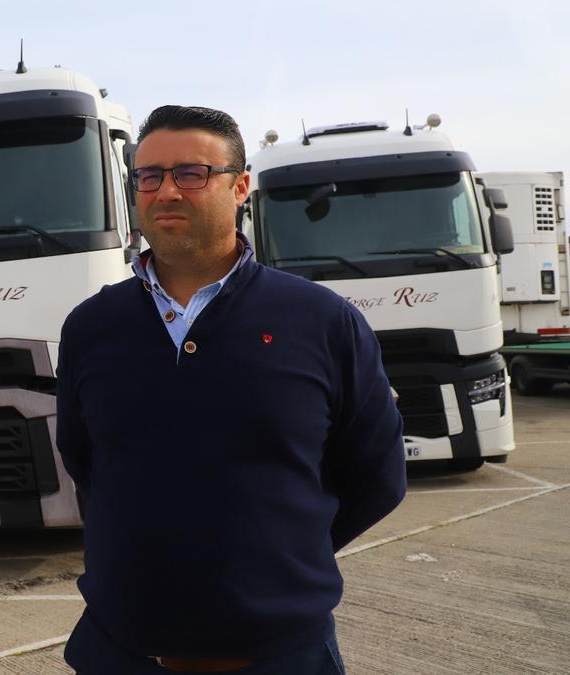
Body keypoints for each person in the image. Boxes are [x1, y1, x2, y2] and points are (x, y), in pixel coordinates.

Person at [55, 105, 406, 673]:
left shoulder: (321, 321)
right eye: (149, 176)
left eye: (191, 173)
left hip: (282, 656)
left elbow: (378, 476)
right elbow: (86, 464)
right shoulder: (91, 327)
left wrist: (282, 558)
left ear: (241, 186)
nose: (166, 191)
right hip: (122, 652)